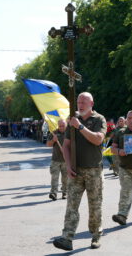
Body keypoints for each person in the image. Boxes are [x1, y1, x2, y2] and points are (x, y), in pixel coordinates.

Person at [53, 92, 107, 251]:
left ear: (92, 103)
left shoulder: (99, 119)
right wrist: (68, 165)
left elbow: (98, 139)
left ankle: (96, 235)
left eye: (84, 102)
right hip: (76, 170)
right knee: (71, 205)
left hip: (94, 170)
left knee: (95, 205)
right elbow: (67, 146)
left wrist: (80, 127)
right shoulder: (72, 120)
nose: (80, 104)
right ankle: (67, 238)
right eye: (78, 101)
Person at [46, 119, 68, 200]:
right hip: (55, 160)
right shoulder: (54, 133)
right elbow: (48, 144)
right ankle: (53, 193)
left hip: (66, 160)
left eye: (63, 126)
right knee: (54, 178)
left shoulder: (70, 133)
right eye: (60, 126)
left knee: (65, 178)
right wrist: (53, 140)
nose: (61, 127)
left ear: (66, 125)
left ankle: (65, 192)